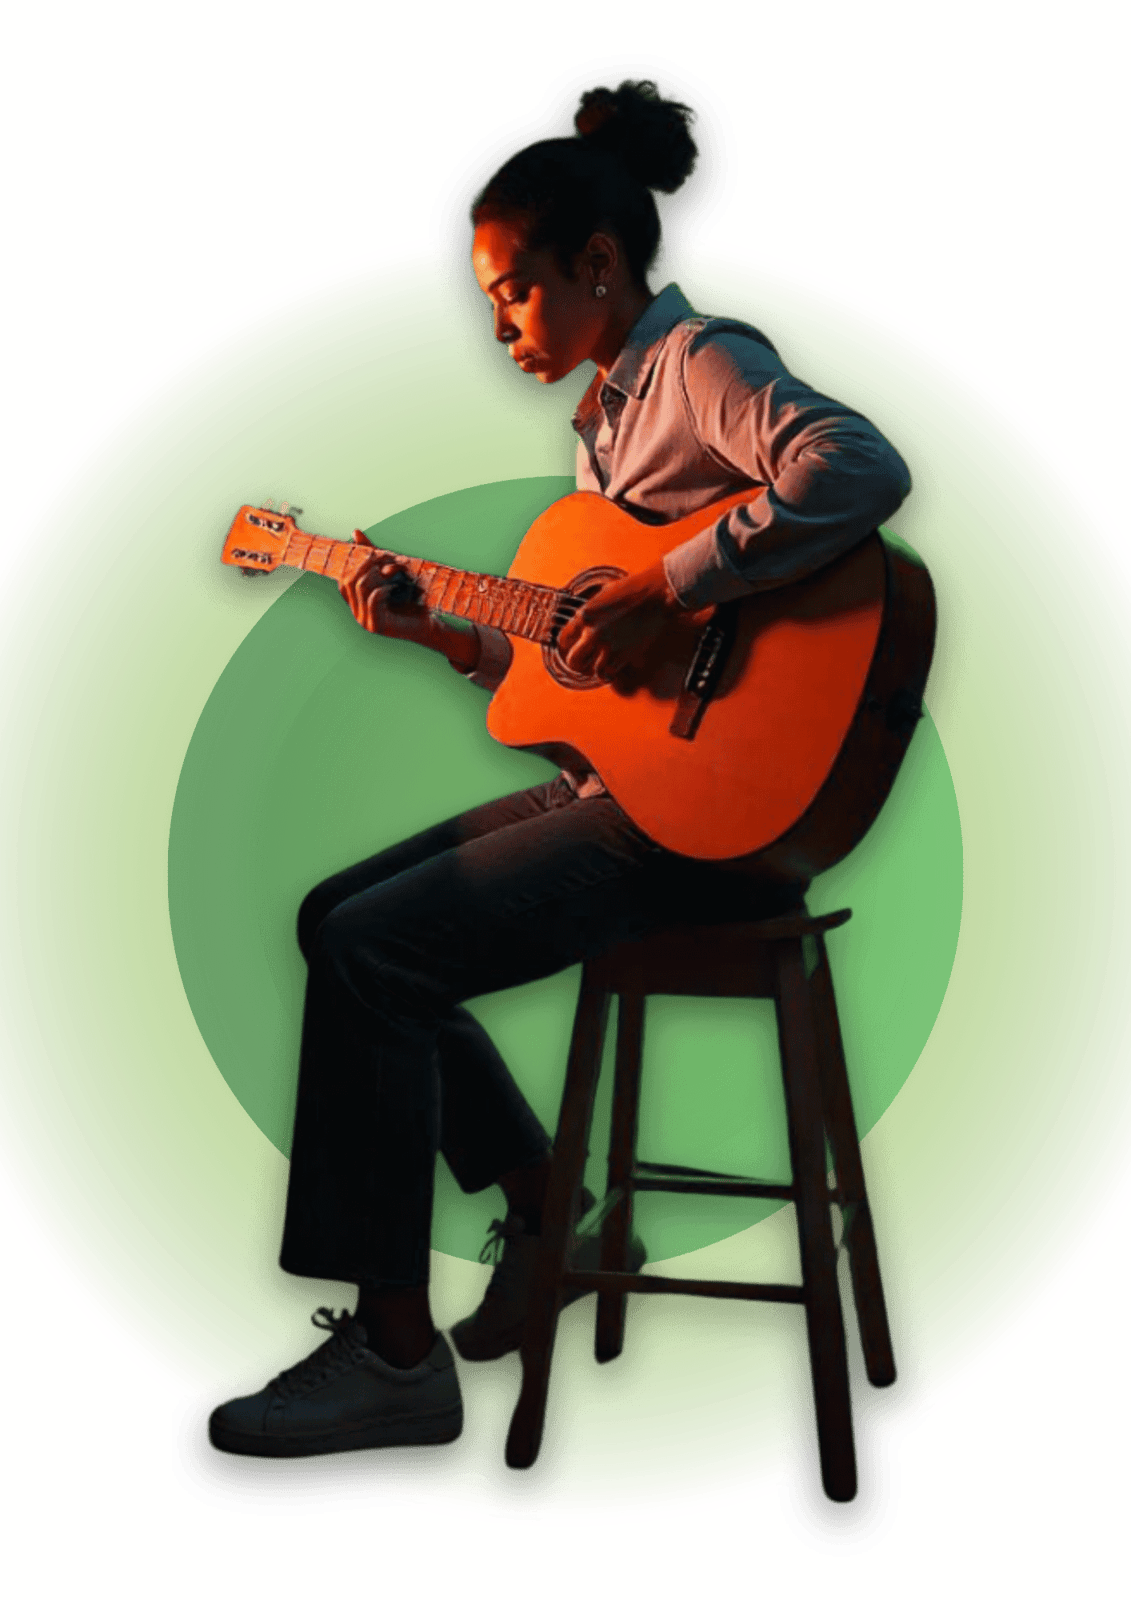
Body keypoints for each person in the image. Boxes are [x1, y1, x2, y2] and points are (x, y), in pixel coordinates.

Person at [211, 84, 912, 1459]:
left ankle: (398, 1357)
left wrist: (671, 579)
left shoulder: (697, 360)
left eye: (516, 292)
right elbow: (584, 696)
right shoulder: (600, 428)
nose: (500, 328)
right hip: (636, 793)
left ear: (599, 266)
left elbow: (858, 465)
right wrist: (439, 638)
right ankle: (543, 1210)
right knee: (333, 923)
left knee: (371, 948)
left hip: (707, 827)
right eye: (488, 303)